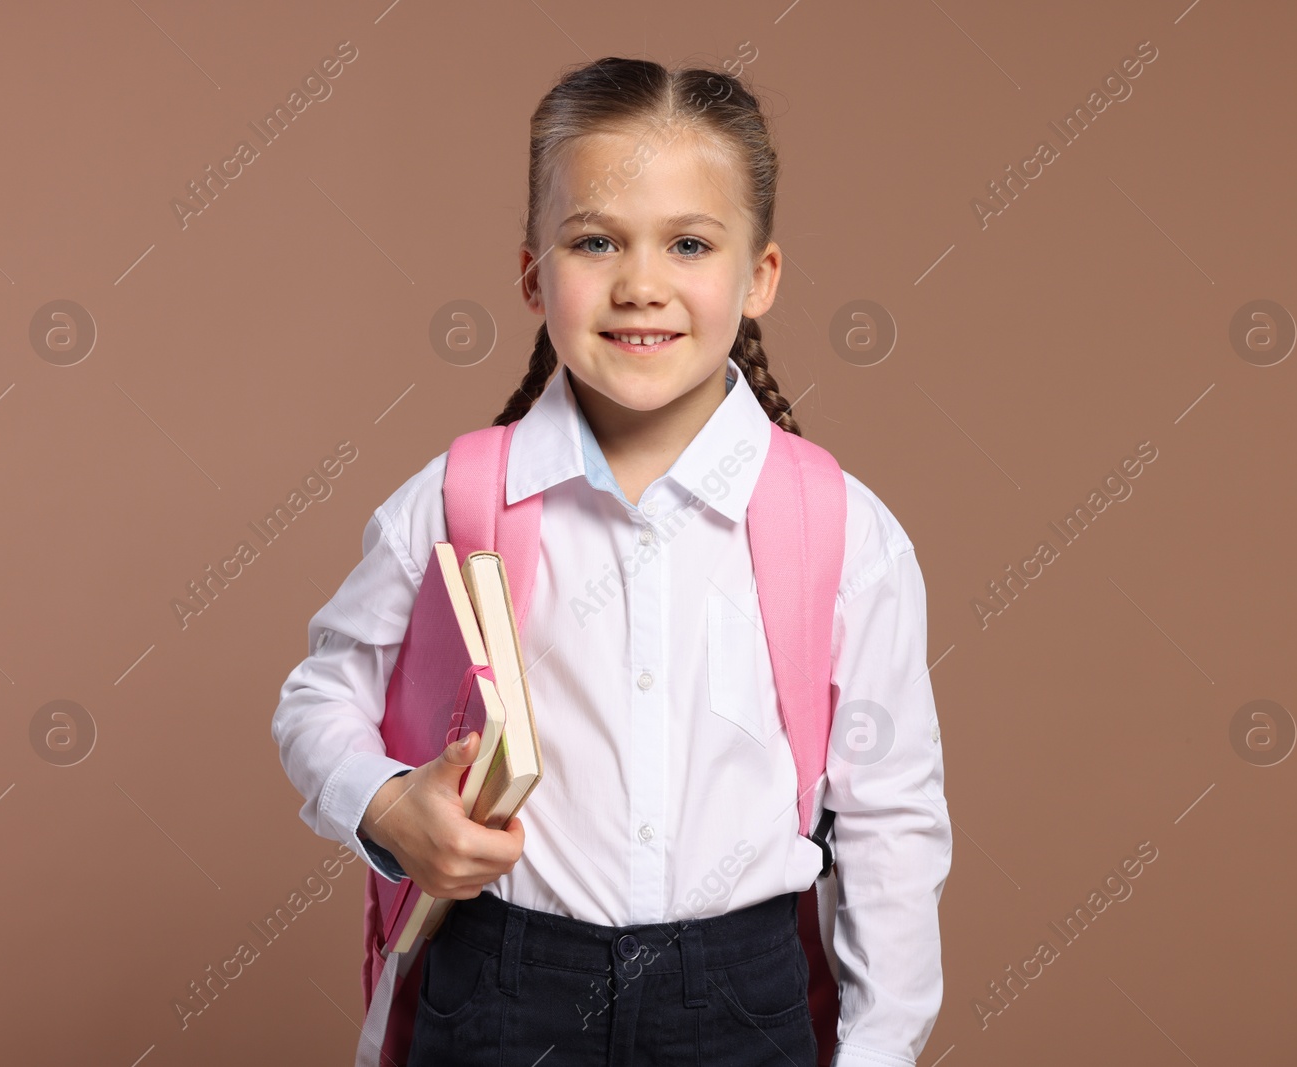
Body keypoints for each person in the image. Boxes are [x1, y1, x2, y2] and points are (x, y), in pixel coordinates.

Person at [272, 55, 951, 1067]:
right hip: (500, 989)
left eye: (688, 242)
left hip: (746, 997)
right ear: (534, 272)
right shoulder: (459, 498)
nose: (640, 283)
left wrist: (879, 1047)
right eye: (596, 240)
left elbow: (889, 819)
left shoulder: (842, 528)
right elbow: (318, 696)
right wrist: (386, 803)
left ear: (758, 274)